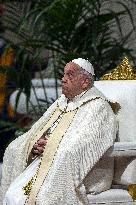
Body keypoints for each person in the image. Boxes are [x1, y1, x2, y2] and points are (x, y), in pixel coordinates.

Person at [0, 58, 117, 205]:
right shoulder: (62, 102)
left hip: (79, 169)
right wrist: (35, 144)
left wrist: (52, 146)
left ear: (85, 82)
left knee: (37, 199)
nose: (63, 80)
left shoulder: (98, 106)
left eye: (70, 75)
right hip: (46, 161)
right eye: (64, 75)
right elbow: (37, 130)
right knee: (13, 194)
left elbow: (87, 143)